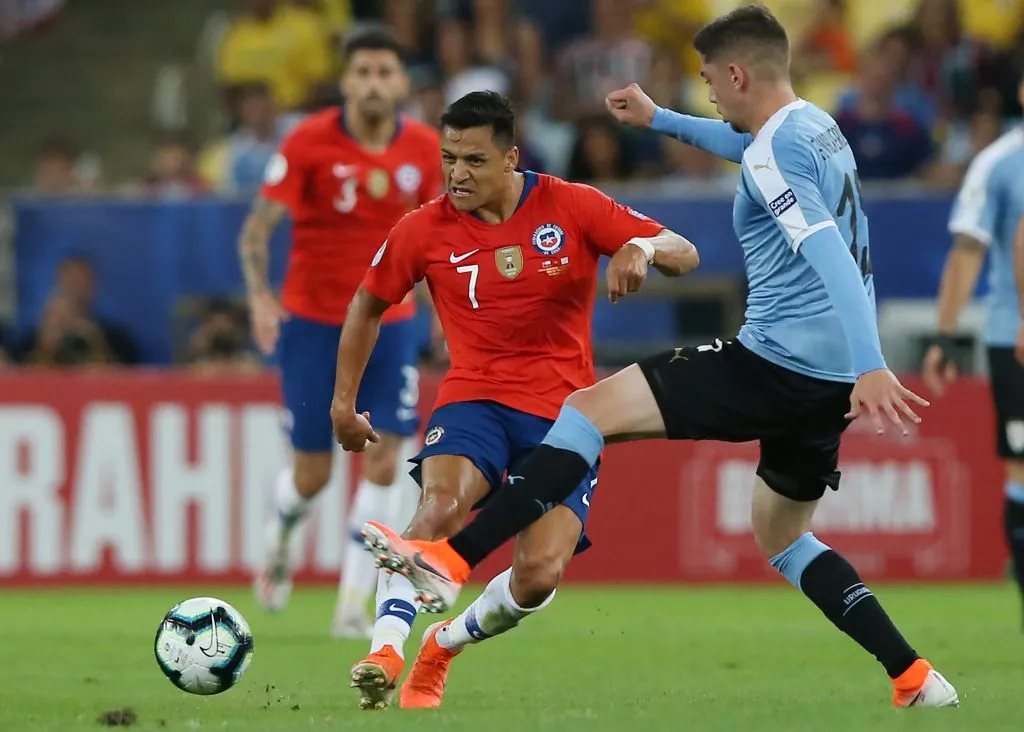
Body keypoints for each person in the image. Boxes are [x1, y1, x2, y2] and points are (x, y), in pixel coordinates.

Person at [346, 6, 960, 710]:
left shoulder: (765, 154)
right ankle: (913, 677)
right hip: (825, 384)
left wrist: (874, 359)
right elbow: (747, 149)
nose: (709, 97)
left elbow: (826, 251)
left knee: (583, 411)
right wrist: (660, 118)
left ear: (737, 74)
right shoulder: (816, 127)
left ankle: (450, 557)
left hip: (776, 363)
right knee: (785, 536)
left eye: (708, 83)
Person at [330, 90, 698, 710]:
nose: (457, 174)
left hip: (566, 417)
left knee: (539, 574)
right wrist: (343, 404)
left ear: (511, 159)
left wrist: (641, 247)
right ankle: (385, 649)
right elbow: (367, 303)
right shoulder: (422, 229)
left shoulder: (572, 205)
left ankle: (442, 645)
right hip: (473, 400)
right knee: (440, 505)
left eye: (474, 160)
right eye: (449, 158)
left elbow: (683, 251)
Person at [237, 26, 441, 637]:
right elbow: (255, 231)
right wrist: (259, 298)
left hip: (390, 324)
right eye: (364, 73)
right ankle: (279, 538)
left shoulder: (428, 149)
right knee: (313, 474)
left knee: (384, 462)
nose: (375, 83)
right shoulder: (307, 142)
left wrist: (451, 319)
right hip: (313, 326)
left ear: (402, 83)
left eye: (386, 72)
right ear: (347, 81)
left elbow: (438, 244)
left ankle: (353, 605)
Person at [923, 76, 1024, 627]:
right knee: (1022, 466)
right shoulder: (1000, 163)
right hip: (1015, 340)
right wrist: (944, 334)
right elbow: (968, 251)